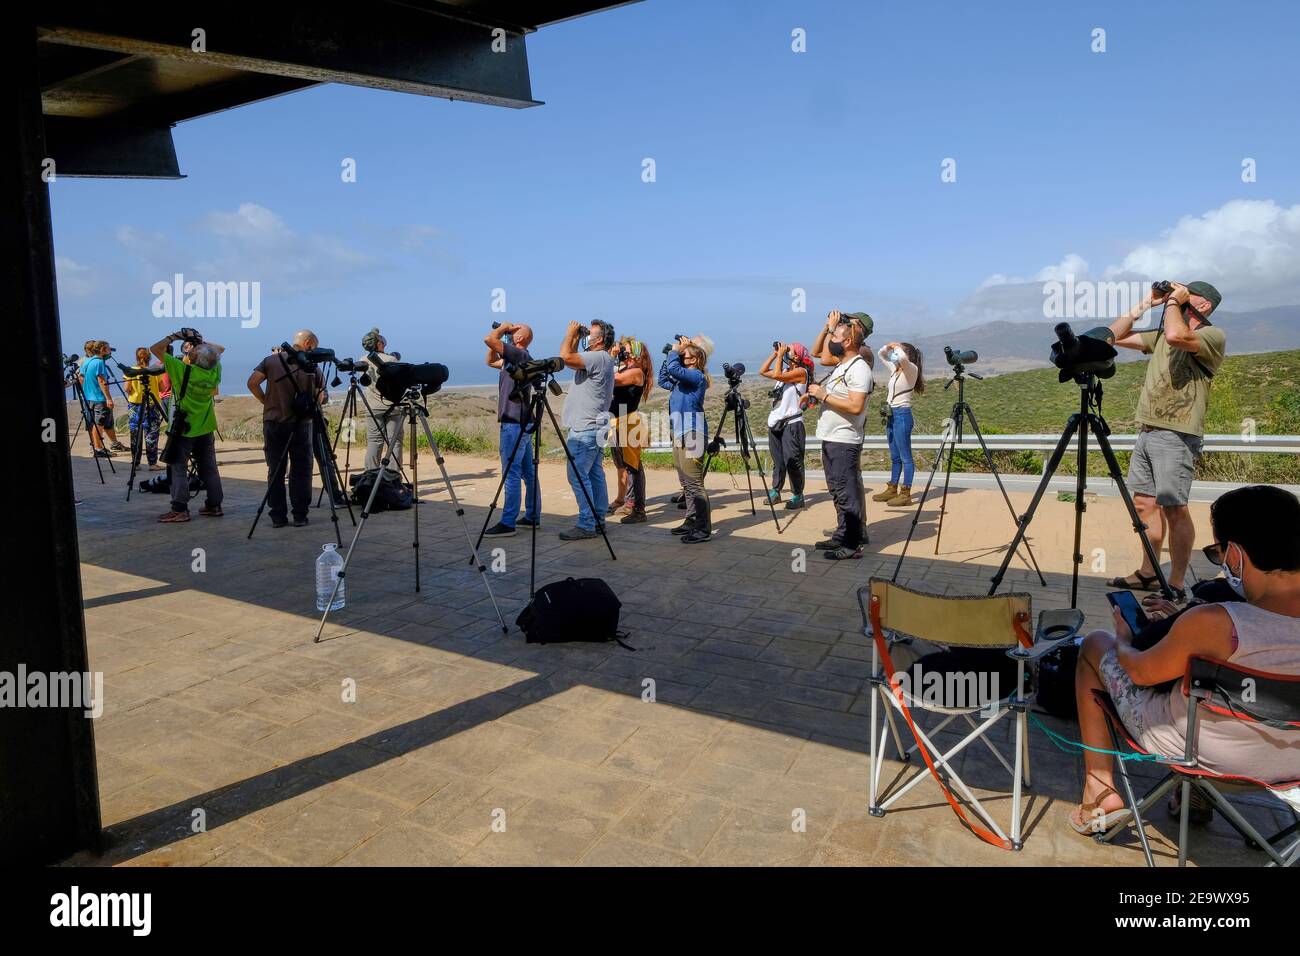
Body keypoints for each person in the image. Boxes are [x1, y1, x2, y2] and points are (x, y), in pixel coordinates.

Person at [1069, 484, 1300, 833]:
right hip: (1293, 763)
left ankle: (1099, 791)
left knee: (1094, 645)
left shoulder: (1215, 622)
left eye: (1218, 553)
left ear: (1235, 554)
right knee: (1205, 679)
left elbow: (1141, 673)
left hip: (1209, 755)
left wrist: (1126, 639)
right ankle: (1194, 800)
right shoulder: (1213, 621)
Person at [1107, 281, 1227, 603]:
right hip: (1147, 429)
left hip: (1176, 432)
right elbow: (1113, 336)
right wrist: (1146, 303)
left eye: (1191, 294)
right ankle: (1148, 572)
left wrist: (1174, 300)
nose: (1182, 295)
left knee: (1175, 507)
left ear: (1204, 306)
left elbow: (1178, 335)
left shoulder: (1211, 336)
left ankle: (1175, 582)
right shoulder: (1161, 334)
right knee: (1144, 505)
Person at [247, 331, 326, 528]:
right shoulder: (311, 365)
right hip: (302, 424)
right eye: (313, 347)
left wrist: (266, 401)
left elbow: (252, 383)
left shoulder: (271, 361)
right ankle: (300, 514)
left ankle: (278, 516)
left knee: (275, 470)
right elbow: (321, 395)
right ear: (307, 343)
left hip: (274, 422)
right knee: (301, 470)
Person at [809, 311, 872, 560]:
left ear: (847, 341)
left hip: (844, 440)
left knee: (846, 493)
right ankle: (842, 534)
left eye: (836, 333)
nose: (833, 334)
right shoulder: (843, 365)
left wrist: (823, 395)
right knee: (838, 490)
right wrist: (817, 394)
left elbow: (856, 406)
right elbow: (821, 355)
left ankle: (852, 544)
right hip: (833, 437)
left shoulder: (859, 368)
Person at [149, 329, 225, 522]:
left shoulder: (183, 370)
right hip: (206, 426)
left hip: (184, 427)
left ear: (192, 358)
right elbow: (219, 350)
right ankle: (214, 505)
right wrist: (200, 340)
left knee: (178, 467)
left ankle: (179, 509)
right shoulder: (214, 370)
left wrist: (175, 336)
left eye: (192, 351)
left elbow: (155, 349)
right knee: (209, 468)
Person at [558, 319, 616, 540]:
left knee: (577, 476)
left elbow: (565, 358)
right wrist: (577, 338)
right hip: (596, 425)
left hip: (586, 427)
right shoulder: (603, 359)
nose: (587, 336)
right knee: (594, 474)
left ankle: (586, 523)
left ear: (599, 339)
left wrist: (570, 333)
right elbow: (573, 359)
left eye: (590, 334)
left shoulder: (598, 357)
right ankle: (598, 519)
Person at [483, 322, 540, 537]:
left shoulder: (520, 355)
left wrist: (502, 329)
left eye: (512, 333)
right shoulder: (514, 359)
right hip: (521, 422)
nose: (508, 335)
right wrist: (502, 337)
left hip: (513, 423)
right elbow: (489, 360)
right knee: (528, 472)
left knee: (511, 473)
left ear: (519, 339)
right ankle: (533, 516)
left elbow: (489, 339)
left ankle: (508, 522)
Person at [660, 338, 712, 544]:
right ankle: (691, 520)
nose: (681, 357)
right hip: (680, 432)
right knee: (685, 481)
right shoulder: (682, 380)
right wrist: (669, 356)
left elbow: (674, 370)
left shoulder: (696, 376)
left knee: (694, 483)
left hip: (693, 432)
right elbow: (663, 379)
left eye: (685, 355)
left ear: (695, 359)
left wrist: (675, 352)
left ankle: (703, 529)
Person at [760, 341, 813, 510]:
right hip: (776, 423)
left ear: (797, 356)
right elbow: (762, 371)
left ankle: (798, 494)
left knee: (793, 460)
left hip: (792, 424)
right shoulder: (785, 371)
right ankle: (776, 490)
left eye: (791, 350)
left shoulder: (801, 372)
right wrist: (776, 354)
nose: (788, 352)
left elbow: (775, 375)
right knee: (778, 460)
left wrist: (782, 355)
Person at [872, 341, 924, 508]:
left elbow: (901, 356)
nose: (894, 354)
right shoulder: (896, 370)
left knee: (905, 457)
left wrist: (897, 348)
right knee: (895, 456)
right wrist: (888, 347)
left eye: (898, 351)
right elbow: (881, 354)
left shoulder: (911, 369)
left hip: (902, 415)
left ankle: (906, 493)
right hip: (891, 415)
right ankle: (892, 488)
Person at [608, 337, 653, 523]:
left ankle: (638, 509)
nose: (623, 354)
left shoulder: (636, 372)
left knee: (633, 467)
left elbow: (610, 379)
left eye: (626, 351)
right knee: (622, 464)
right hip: (616, 422)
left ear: (636, 354)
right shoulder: (626, 368)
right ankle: (626, 501)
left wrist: (609, 358)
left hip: (629, 423)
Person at [360, 327, 404, 483]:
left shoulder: (362, 360)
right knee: (395, 442)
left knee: (374, 441)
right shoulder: (391, 361)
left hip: (372, 407)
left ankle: (370, 477)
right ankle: (392, 477)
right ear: (378, 344)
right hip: (392, 407)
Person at [80, 340, 126, 457]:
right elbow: (102, 381)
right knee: (99, 424)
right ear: (102, 350)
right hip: (99, 398)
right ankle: (99, 449)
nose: (110, 350)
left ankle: (97, 446)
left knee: (95, 424)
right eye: (108, 348)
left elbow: (81, 378)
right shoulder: (99, 362)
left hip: (89, 398)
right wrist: (109, 398)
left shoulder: (88, 361)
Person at [125, 346, 166, 471]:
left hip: (134, 405)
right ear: (149, 357)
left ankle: (135, 463)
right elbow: (162, 388)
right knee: (151, 434)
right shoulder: (154, 370)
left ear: (137, 357)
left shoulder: (131, 371)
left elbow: (127, 389)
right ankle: (152, 463)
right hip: (152, 405)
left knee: (135, 434)